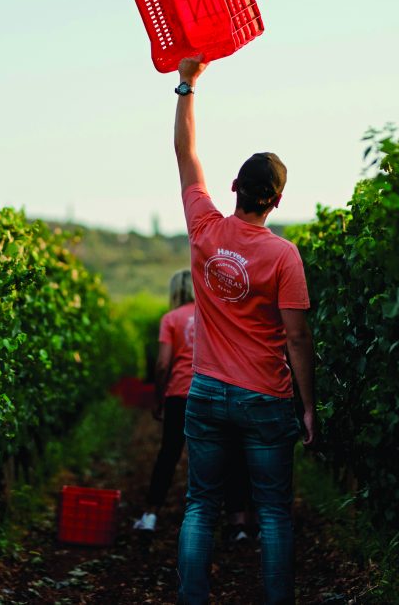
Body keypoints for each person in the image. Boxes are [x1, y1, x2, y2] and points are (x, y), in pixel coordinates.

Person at [171, 57, 317, 605]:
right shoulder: (284, 256)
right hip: (265, 396)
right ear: (277, 200)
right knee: (274, 510)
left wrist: (187, 85)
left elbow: (186, 155)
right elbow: (298, 339)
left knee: (200, 505)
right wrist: (308, 405)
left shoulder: (204, 227)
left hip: (206, 390)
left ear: (233, 187)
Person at [133, 269, 196, 532]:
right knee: (214, 455)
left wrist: (159, 398)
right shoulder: (213, 315)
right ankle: (230, 521)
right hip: (209, 392)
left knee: (169, 453)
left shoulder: (171, 318)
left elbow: (162, 364)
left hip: (179, 394)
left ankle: (151, 515)